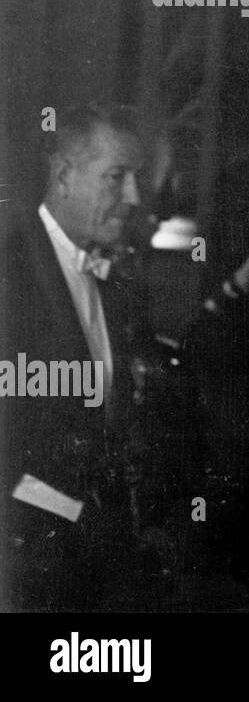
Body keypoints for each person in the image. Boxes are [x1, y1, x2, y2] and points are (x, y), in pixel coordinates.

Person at [0, 104, 175, 611]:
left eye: (135, 179)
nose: (133, 198)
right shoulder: (10, 273)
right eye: (117, 177)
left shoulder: (115, 280)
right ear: (63, 176)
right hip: (29, 568)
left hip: (98, 565)